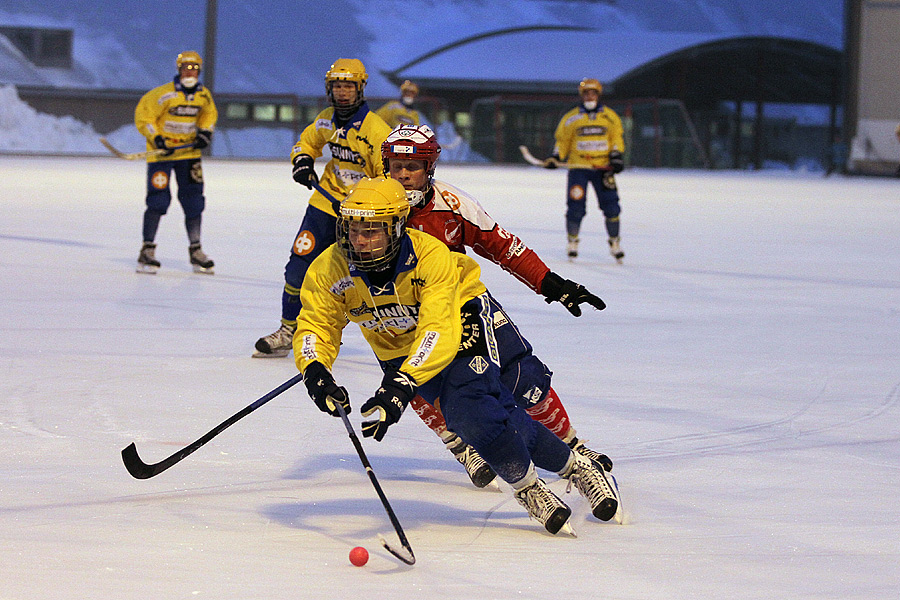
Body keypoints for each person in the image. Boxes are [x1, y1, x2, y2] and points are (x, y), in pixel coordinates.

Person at [294, 176, 620, 534]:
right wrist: (315, 371)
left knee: (472, 405)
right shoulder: (330, 268)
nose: (359, 240)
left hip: (459, 319)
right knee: (476, 419)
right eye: (353, 229)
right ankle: (572, 468)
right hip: (402, 346)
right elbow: (316, 323)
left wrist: (401, 385)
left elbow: (438, 329)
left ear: (397, 226)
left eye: (372, 231)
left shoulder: (430, 256)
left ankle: (533, 485)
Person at [381, 123, 612, 489]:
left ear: (430, 168)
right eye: (396, 166)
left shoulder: (453, 204)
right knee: (422, 385)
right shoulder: (369, 209)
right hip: (404, 317)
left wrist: (552, 284)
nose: (404, 175)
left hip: (464, 302)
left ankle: (572, 446)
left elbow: (503, 246)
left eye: (413, 166)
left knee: (525, 376)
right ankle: (461, 444)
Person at [253, 58, 392, 357]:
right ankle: (288, 330)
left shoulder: (376, 130)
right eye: (337, 86)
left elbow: (387, 179)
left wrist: (367, 205)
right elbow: (307, 141)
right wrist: (302, 160)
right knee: (297, 268)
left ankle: (393, 338)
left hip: (361, 216)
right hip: (324, 206)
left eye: (348, 86)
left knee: (362, 281)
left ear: (360, 89)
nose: (342, 92)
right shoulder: (327, 118)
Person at [134, 50, 218, 275]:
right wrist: (157, 138)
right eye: (185, 68)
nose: (189, 72)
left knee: (194, 201)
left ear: (199, 70)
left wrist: (204, 133)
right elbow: (144, 116)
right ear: (179, 69)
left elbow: (209, 116)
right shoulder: (163, 94)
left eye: (193, 68)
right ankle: (147, 249)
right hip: (162, 155)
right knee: (158, 200)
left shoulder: (204, 96)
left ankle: (196, 250)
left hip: (188, 155)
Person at [546, 78, 625, 263]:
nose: (590, 96)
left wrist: (616, 156)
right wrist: (556, 157)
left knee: (611, 206)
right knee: (575, 207)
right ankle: (572, 241)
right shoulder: (571, 117)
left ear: (598, 94)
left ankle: (615, 242)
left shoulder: (610, 117)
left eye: (593, 93)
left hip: (602, 169)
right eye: (586, 93)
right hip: (578, 168)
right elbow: (563, 141)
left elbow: (616, 139)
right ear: (582, 95)